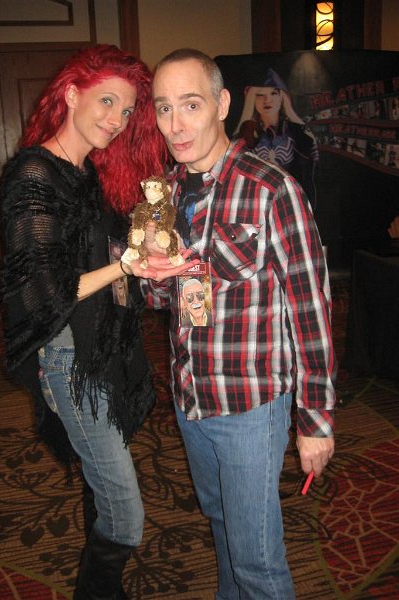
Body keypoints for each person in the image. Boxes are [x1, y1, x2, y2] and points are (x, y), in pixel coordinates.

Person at [0, 44, 192, 600]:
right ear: (70, 93)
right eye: (107, 101)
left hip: (105, 346)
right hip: (70, 356)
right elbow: (48, 294)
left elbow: (100, 248)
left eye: (127, 110)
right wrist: (126, 265)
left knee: (100, 481)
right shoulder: (34, 174)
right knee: (126, 513)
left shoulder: (87, 171)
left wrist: (145, 244)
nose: (117, 119)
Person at [143, 48, 336, 599]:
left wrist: (316, 418)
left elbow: (311, 309)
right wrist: (149, 273)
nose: (175, 125)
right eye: (163, 108)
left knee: (256, 561)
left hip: (251, 406)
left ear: (223, 104)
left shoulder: (272, 189)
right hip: (191, 397)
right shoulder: (164, 195)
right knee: (223, 527)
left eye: (190, 105)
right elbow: (162, 299)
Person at [234, 67, 319, 209]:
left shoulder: (300, 134)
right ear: (252, 99)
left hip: (292, 205)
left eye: (273, 93)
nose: (267, 100)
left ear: (282, 97)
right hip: (255, 207)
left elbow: (308, 179)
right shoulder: (243, 137)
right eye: (260, 95)